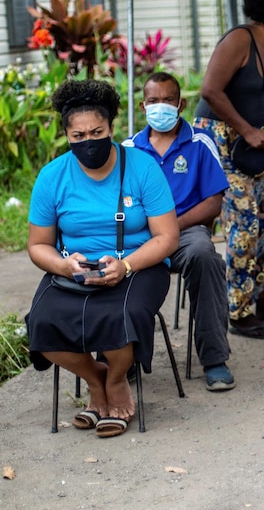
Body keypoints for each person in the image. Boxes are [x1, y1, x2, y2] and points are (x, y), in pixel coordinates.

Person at [26, 79, 179, 437]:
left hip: (139, 265)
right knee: (43, 323)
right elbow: (38, 246)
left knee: (119, 317)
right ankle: (97, 379)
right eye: (78, 136)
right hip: (74, 270)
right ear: (66, 136)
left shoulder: (142, 168)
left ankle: (117, 383)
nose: (88, 142)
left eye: (96, 131)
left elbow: (168, 237)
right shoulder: (52, 177)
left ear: (112, 127)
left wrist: (125, 265)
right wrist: (63, 265)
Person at [195, 0, 264, 339]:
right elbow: (210, 90)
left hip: (255, 140)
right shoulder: (240, 40)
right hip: (221, 140)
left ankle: (261, 299)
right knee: (243, 225)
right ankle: (238, 311)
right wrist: (245, 129)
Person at [125, 72, 235, 391]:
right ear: (143, 105)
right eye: (154, 101)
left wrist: (171, 227)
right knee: (115, 263)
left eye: (168, 100)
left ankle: (214, 359)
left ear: (181, 104)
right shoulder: (130, 149)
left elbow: (214, 202)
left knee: (206, 257)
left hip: (187, 234)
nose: (161, 106)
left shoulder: (200, 143)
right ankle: (123, 357)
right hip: (141, 237)